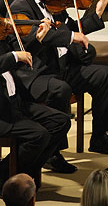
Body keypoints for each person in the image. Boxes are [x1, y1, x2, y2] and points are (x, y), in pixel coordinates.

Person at [9, 0, 108, 173]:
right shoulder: (20, 7)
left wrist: (97, 14)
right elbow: (48, 37)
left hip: (63, 68)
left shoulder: (53, 4)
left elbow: (73, 28)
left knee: (104, 75)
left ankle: (100, 136)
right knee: (60, 89)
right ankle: (54, 152)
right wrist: (72, 36)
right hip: (37, 74)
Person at [0, 23, 71, 189]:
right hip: (2, 113)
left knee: (61, 121)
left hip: (15, 103)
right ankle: (6, 176)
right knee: (39, 135)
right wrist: (14, 56)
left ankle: (21, 171)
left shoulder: (2, 40)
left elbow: (19, 58)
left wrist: (37, 41)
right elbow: (12, 58)